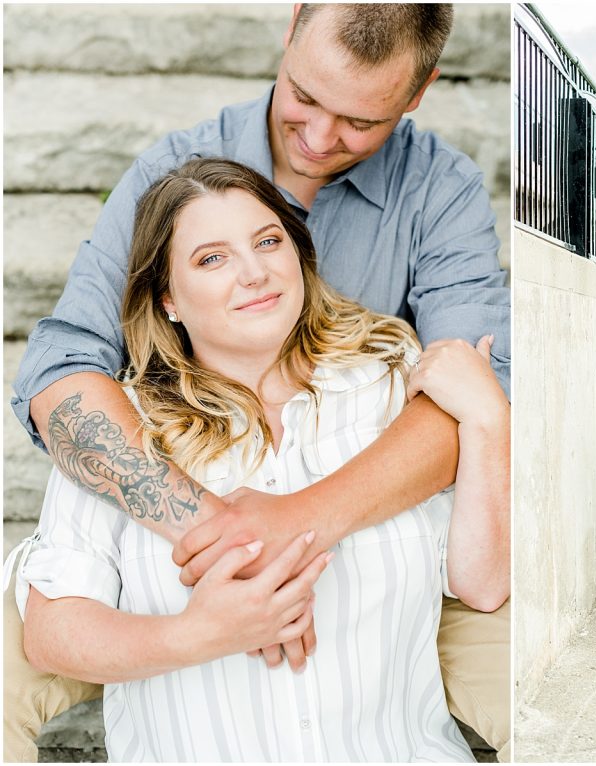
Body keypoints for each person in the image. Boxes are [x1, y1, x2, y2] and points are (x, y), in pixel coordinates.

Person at [5, 3, 511, 762]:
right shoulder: (170, 173)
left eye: (357, 123)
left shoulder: (437, 194)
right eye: (303, 97)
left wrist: (295, 522)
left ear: (417, 92)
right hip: (182, 492)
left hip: (379, 519)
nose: (315, 138)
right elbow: (64, 373)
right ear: (290, 35)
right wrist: (230, 546)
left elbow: (468, 387)